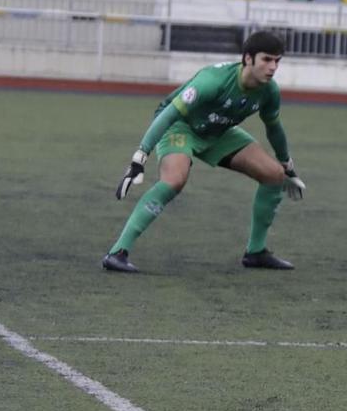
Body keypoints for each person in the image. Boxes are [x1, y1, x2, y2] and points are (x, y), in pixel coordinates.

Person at [101, 30, 304, 273]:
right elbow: (169, 114)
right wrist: (139, 158)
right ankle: (117, 252)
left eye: (277, 61)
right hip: (181, 126)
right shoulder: (213, 80)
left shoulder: (269, 91)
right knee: (174, 180)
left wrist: (287, 166)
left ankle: (256, 252)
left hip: (218, 131)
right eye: (267, 59)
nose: (273, 67)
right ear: (248, 58)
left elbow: (274, 129)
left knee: (274, 175)